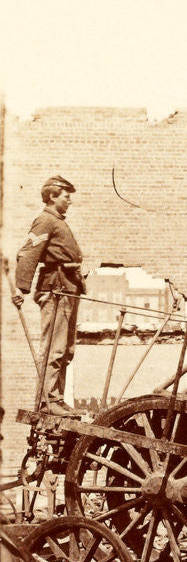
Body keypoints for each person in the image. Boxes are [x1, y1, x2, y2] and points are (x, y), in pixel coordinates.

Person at [13, 176, 85, 415]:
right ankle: (48, 401)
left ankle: (57, 398)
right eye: (66, 196)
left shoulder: (58, 221)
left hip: (68, 289)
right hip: (56, 290)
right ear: (53, 196)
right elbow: (28, 253)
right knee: (54, 348)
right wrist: (21, 288)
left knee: (66, 350)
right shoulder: (45, 220)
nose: (70, 201)